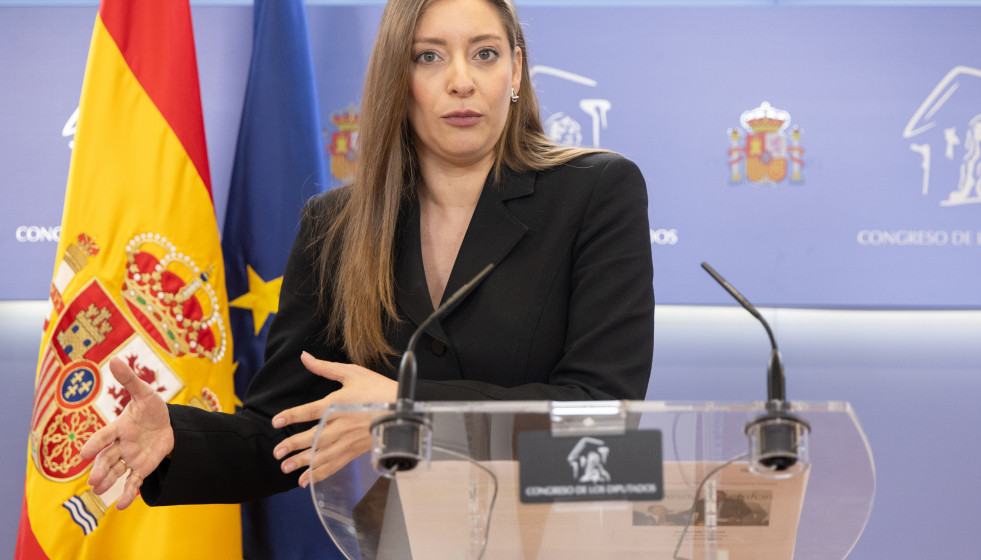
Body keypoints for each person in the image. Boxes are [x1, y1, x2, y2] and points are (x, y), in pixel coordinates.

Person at [81, 0, 654, 512]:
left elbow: (603, 407)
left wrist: (406, 408)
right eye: (429, 57)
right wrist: (176, 440)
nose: (461, 80)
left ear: (516, 71)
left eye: (484, 53)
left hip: (566, 529)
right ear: (396, 79)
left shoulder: (596, 191)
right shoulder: (336, 228)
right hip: (414, 538)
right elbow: (280, 431)